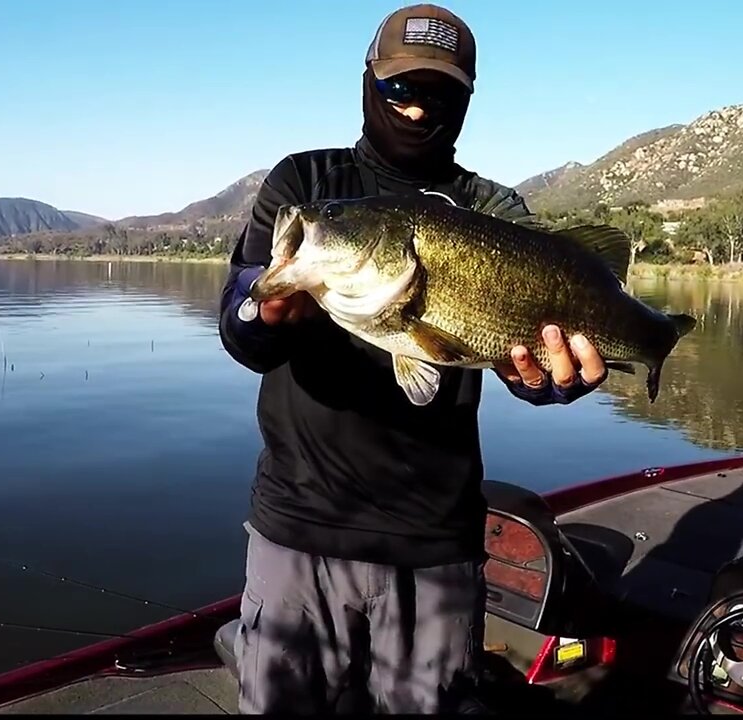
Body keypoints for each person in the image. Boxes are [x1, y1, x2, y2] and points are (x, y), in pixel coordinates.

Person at [216, 3, 609, 714]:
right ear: (368, 82)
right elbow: (242, 325)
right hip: (298, 530)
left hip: (435, 542)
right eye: (400, 87)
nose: (417, 106)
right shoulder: (305, 187)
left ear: (466, 99)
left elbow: (526, 371)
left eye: (440, 92)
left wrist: (556, 383)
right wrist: (265, 310)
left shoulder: (493, 208)